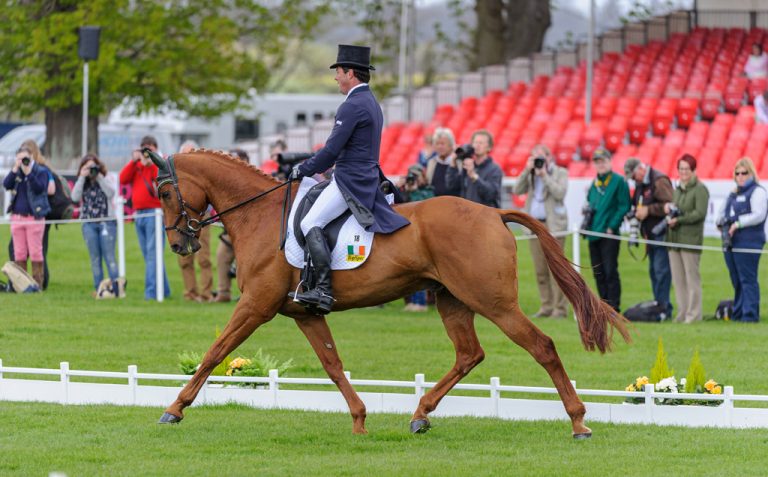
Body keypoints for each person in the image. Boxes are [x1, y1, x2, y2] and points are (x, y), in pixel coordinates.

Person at [288, 44, 410, 314]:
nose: (336, 78)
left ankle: (322, 289)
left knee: (310, 222)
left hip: (350, 179)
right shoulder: (371, 102)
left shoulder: (352, 105)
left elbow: (331, 151)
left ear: (350, 73)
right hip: (361, 173)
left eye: (339, 72)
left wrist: (304, 169)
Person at [513, 144, 569, 318]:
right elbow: (517, 190)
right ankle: (546, 306)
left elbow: (560, 193)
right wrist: (526, 171)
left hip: (554, 227)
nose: (538, 161)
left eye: (540, 158)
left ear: (549, 157)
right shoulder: (530, 174)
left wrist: (544, 176)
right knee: (540, 270)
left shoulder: (560, 172)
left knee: (556, 269)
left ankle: (560, 309)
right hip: (534, 226)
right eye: (534, 157)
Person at [119, 136, 171, 300]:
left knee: (152, 254)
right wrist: (135, 161)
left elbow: (162, 182)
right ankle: (165, 289)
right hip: (139, 214)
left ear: (155, 149)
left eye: (150, 150)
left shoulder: (160, 164)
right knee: (149, 255)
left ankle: (151, 292)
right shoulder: (138, 166)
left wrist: (153, 162)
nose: (147, 153)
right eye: (144, 149)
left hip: (154, 214)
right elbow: (123, 179)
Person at [716, 157, 766, 323]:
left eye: (744, 173)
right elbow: (723, 211)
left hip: (749, 241)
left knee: (747, 278)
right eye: (737, 173)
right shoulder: (733, 193)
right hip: (731, 241)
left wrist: (738, 223)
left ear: (751, 173)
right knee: (736, 278)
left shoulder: (758, 191)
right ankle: (738, 312)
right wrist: (720, 222)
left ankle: (750, 314)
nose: (740, 176)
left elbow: (758, 214)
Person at [624, 157, 675, 318]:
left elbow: (671, 205)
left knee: (661, 271)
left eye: (633, 176)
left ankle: (664, 307)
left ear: (640, 169)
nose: (633, 180)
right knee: (654, 271)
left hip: (662, 233)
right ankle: (658, 305)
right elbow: (637, 204)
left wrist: (648, 210)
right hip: (650, 234)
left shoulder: (659, 181)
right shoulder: (641, 184)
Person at [584, 148, 631, 312]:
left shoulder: (619, 181)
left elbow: (624, 205)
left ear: (610, 162)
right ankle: (603, 305)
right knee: (598, 272)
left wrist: (613, 225)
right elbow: (590, 203)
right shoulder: (594, 183)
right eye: (597, 162)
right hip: (593, 233)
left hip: (609, 234)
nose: (600, 164)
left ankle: (614, 307)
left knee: (610, 270)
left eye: (603, 161)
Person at [664, 154, 709, 324]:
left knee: (692, 279)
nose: (683, 172)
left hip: (690, 241)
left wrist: (679, 219)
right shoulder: (677, 190)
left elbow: (700, 213)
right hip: (674, 240)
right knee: (678, 279)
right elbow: (677, 208)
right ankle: (682, 313)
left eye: (687, 169)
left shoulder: (700, 189)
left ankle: (694, 314)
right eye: (681, 168)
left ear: (693, 170)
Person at [8, 140, 56, 289]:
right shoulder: (17, 173)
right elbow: (6, 184)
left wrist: (29, 173)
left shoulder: (40, 171)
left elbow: (40, 188)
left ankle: (37, 284)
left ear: (32, 157)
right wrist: (15, 169)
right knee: (19, 253)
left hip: (34, 217)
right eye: (20, 158)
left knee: (36, 251)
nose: (23, 161)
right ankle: (21, 285)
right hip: (17, 217)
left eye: (25, 158)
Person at [71, 154, 119, 298]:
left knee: (109, 257)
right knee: (95, 259)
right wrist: (81, 176)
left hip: (107, 222)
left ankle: (116, 290)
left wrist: (98, 176)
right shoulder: (82, 181)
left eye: (93, 167)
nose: (91, 170)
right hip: (89, 223)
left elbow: (111, 193)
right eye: (87, 167)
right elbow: (74, 197)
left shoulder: (105, 177)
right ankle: (100, 290)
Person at [176, 140, 213, 302]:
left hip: (201, 216)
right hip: (182, 217)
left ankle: (206, 294)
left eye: (192, 154)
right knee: (184, 258)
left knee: (203, 257)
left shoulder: (203, 172)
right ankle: (190, 293)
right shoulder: (176, 174)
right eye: (186, 154)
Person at [213, 148, 249, 303]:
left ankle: (248, 294)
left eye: (233, 158)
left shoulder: (252, 178)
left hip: (250, 230)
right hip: (230, 229)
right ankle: (223, 292)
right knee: (222, 256)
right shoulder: (226, 180)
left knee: (248, 262)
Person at [398, 164, 434, 312]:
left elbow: (425, 205)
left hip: (422, 234)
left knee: (420, 268)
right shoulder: (406, 189)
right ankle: (412, 302)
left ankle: (420, 303)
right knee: (409, 269)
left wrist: (415, 191)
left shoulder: (428, 191)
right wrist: (400, 188)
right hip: (406, 232)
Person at [444, 129, 503, 208]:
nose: (477, 145)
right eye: (475, 142)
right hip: (468, 215)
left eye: (481, 143)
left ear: (489, 148)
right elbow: (451, 187)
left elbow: (491, 195)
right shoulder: (467, 166)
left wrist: (474, 176)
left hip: (486, 216)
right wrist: (453, 164)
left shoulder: (495, 169)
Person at [425, 127, 460, 197]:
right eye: (437, 144)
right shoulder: (432, 163)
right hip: (435, 203)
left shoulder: (458, 163)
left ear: (451, 145)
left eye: (443, 143)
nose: (440, 146)